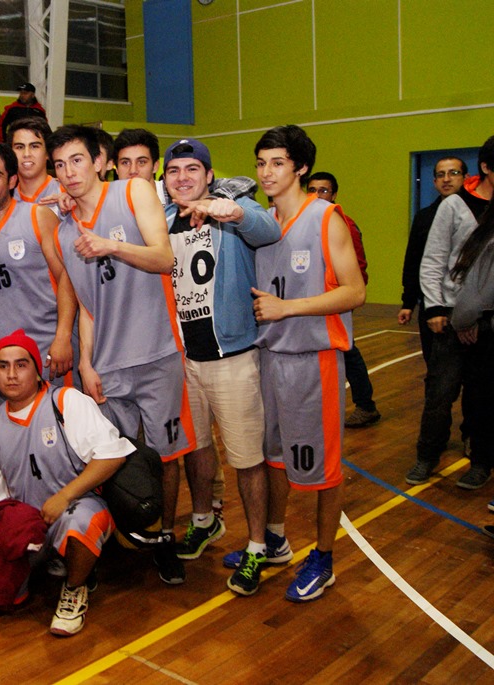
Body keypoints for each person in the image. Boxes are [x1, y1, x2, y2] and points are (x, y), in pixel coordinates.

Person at [48, 124, 193, 585]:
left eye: (76, 160)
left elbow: (164, 258)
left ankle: (165, 537)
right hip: (108, 366)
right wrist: (86, 362)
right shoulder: (64, 230)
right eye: (59, 165)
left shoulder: (133, 192)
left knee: (165, 457)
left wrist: (111, 244)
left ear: (98, 161)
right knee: (112, 458)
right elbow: (88, 305)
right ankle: (119, 539)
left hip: (157, 355)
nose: (69, 172)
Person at [159, 138, 281, 596]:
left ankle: (256, 546)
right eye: (175, 170)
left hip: (232, 356)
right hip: (183, 358)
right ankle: (204, 520)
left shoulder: (235, 205)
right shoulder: (162, 220)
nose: (183, 177)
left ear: (209, 175)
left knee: (246, 459)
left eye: (193, 169)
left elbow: (268, 230)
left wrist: (233, 212)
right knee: (196, 449)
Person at [251, 125, 365, 603]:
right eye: (261, 163)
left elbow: (355, 292)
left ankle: (324, 558)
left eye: (277, 163)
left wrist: (288, 308)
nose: (266, 172)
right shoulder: (260, 224)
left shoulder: (326, 218)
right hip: (269, 357)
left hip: (313, 359)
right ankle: (275, 539)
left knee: (323, 468)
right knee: (274, 456)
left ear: (300, 168)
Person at [0, 330, 129, 636]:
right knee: (0, 592)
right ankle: (50, 561)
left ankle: (75, 587)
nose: (11, 374)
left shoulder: (66, 401)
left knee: (82, 521)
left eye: (21, 365)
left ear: (37, 370)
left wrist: (65, 496)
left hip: (75, 506)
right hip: (30, 524)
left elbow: (113, 455)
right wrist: (9, 534)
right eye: (3, 366)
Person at [0, 142, 74, 411]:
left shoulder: (37, 217)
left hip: (47, 352)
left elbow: (68, 278)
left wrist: (63, 337)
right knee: (2, 433)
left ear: (12, 180)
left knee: (57, 430)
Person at [409, 136, 494, 488]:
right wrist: (436, 308)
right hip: (448, 318)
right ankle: (428, 454)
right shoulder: (455, 206)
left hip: (487, 321)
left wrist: (479, 315)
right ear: (486, 167)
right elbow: (433, 260)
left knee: (483, 395)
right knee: (440, 393)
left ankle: (481, 461)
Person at [307, 171, 381, 428]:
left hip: (336, 302)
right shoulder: (303, 222)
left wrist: (341, 296)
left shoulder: (343, 224)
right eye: (312, 190)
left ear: (334, 194)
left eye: (323, 190)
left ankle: (365, 405)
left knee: (346, 350)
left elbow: (358, 268)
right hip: (311, 302)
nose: (317, 196)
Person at [399, 157, 468, 364]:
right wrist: (408, 302)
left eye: (453, 173)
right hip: (433, 305)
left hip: (468, 306)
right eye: (440, 175)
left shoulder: (478, 213)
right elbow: (414, 260)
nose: (446, 179)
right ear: (435, 182)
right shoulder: (424, 217)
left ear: (466, 177)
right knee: (436, 367)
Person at [449, 204, 494, 507]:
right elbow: (472, 292)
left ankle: (481, 463)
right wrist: (465, 321)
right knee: (481, 400)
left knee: (482, 400)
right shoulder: (485, 239)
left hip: (485, 329)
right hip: (485, 331)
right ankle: (480, 462)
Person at [7, 117, 62, 205]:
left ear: (48, 153)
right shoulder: (2, 200)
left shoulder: (68, 196)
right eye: (20, 147)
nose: (26, 154)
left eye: (34, 146)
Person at [112, 128, 163, 203]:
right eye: (125, 163)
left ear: (155, 166)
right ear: (117, 169)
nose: (133, 170)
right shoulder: (109, 203)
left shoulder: (172, 195)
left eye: (141, 162)